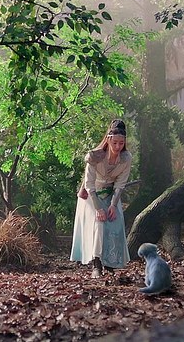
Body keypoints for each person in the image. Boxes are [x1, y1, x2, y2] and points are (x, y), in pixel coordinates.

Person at [70, 119, 133, 278]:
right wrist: (98, 208)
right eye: (115, 143)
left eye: (121, 143)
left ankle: (110, 263)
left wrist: (113, 205)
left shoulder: (126, 158)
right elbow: (89, 184)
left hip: (111, 195)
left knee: (115, 223)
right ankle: (96, 264)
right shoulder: (94, 157)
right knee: (99, 224)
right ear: (108, 140)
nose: (117, 147)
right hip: (92, 195)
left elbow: (120, 184)